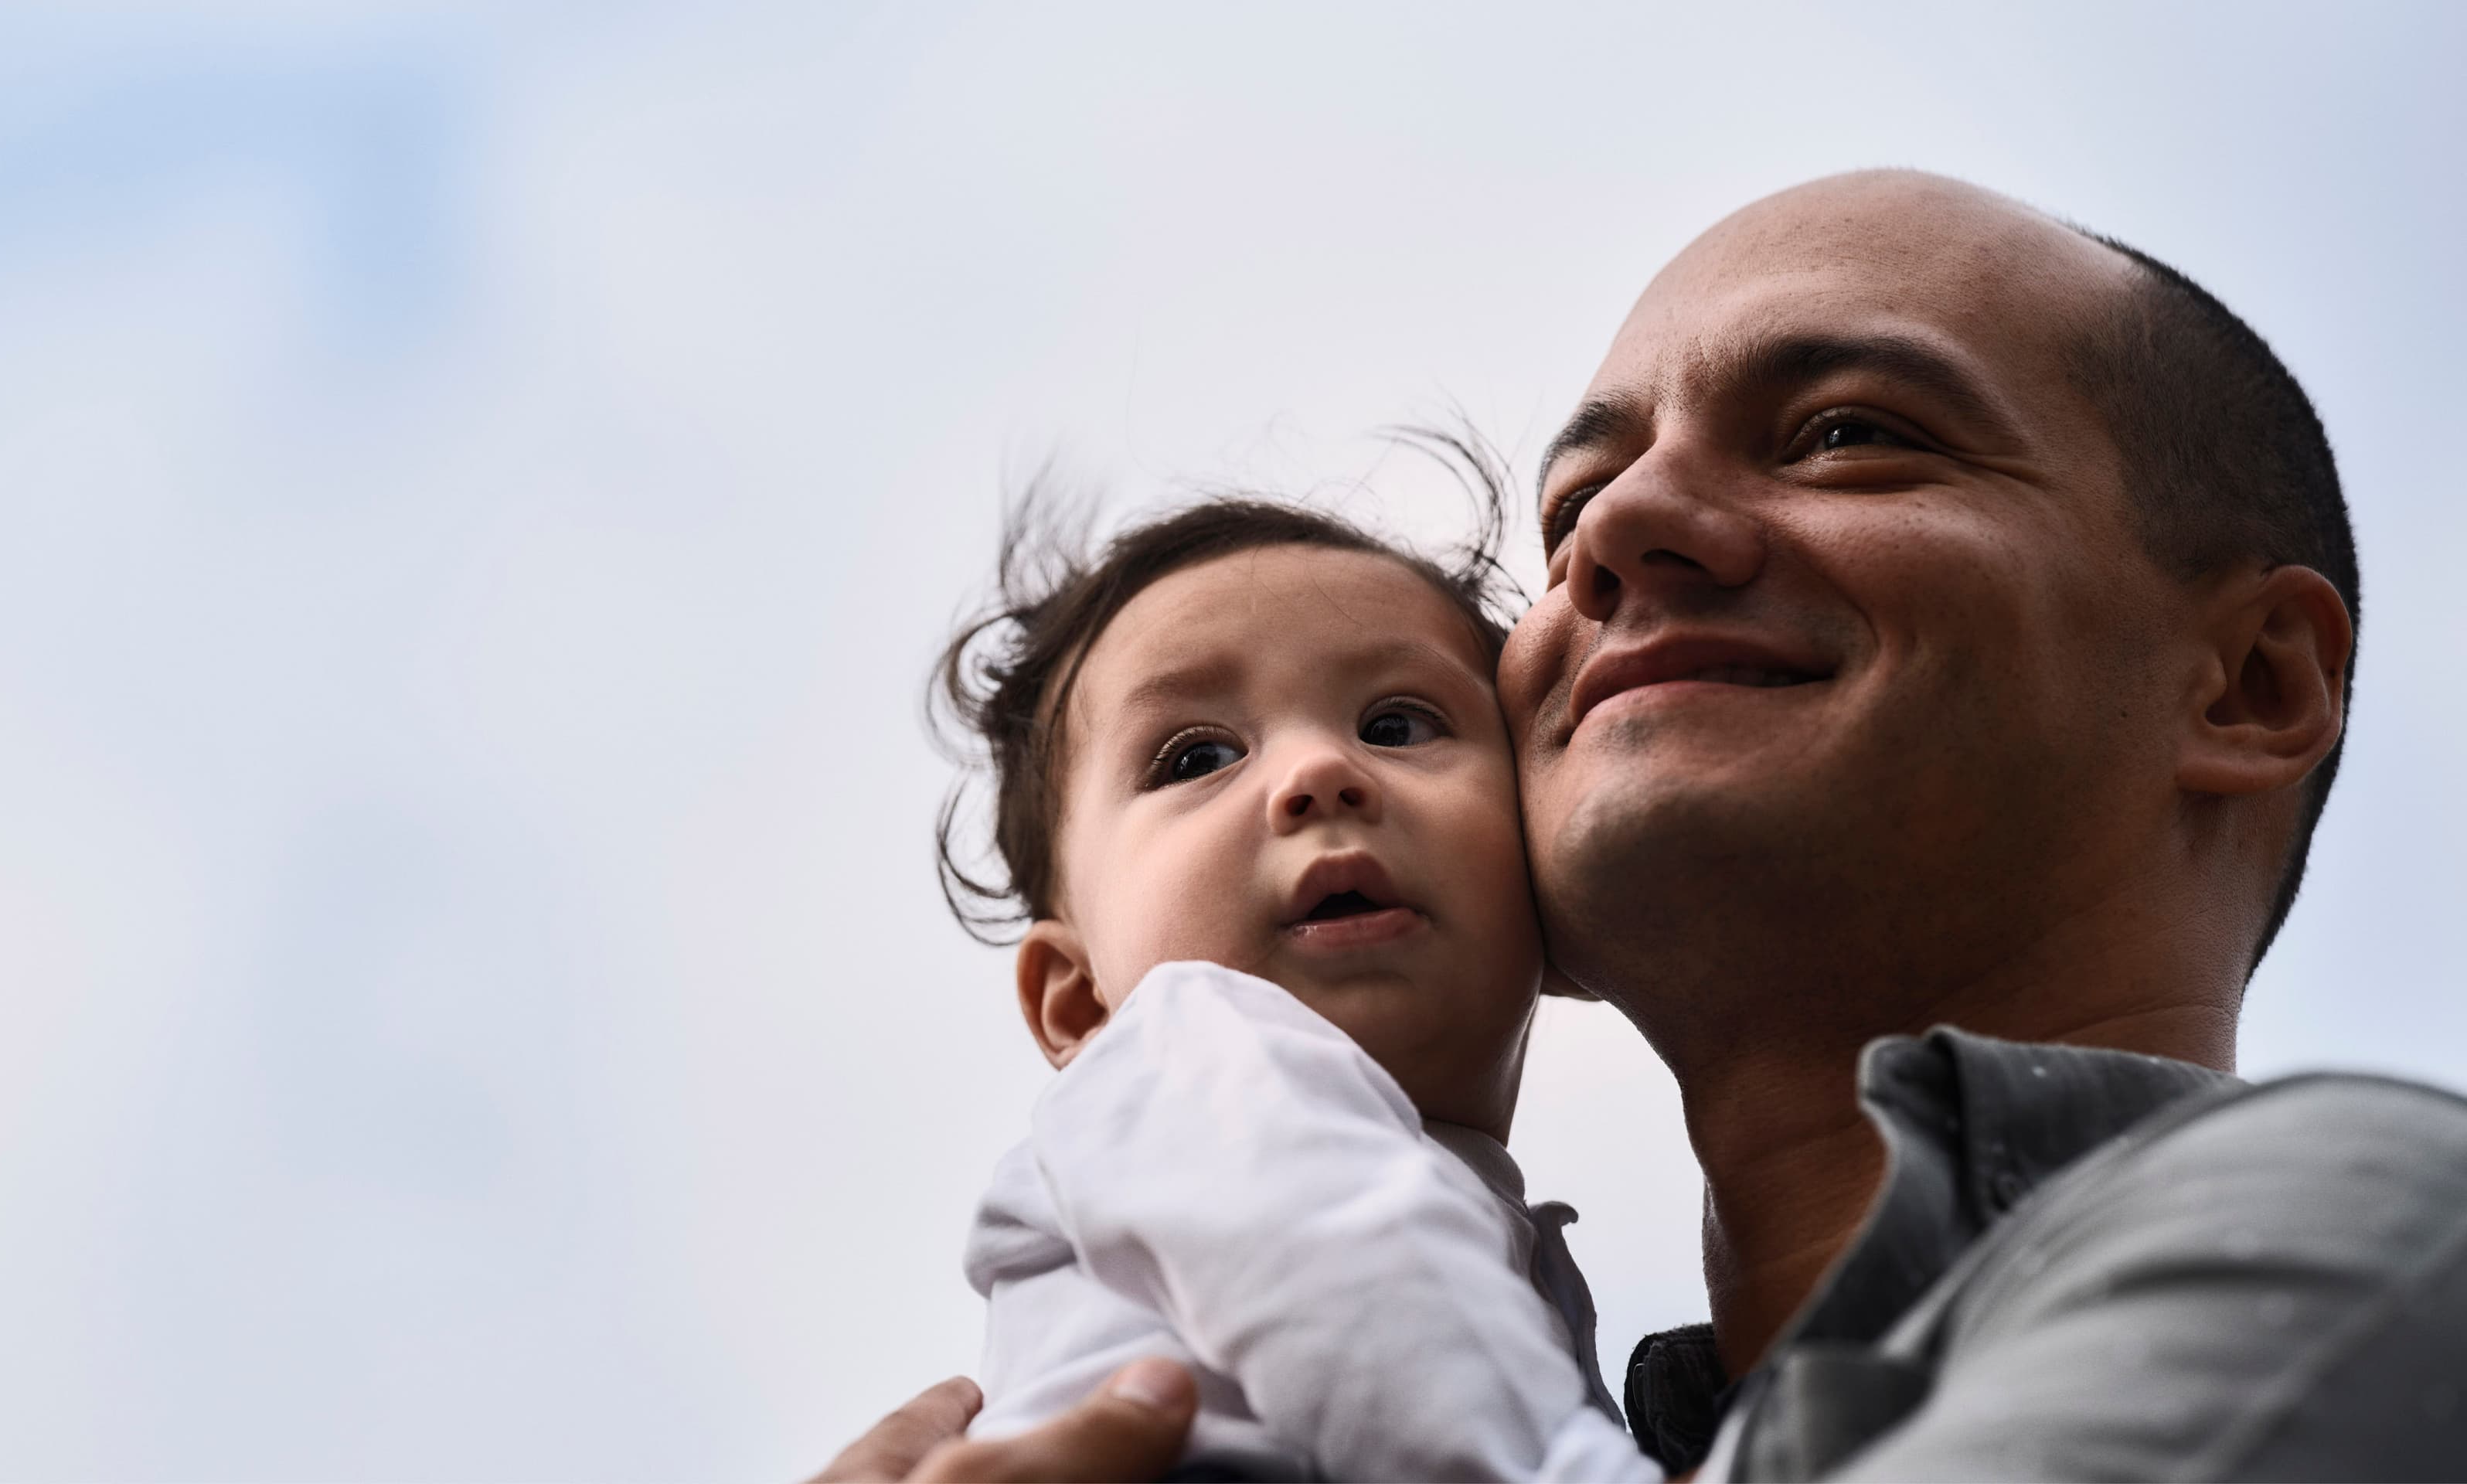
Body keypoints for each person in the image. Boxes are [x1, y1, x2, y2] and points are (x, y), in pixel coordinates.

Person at [820, 170, 2467, 1482]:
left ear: (2247, 684)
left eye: (1846, 433)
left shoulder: (2380, 1242)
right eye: (1565, 518)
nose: (1621, 534)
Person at [930, 498, 1652, 1479]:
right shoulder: (1191, 1055)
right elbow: (1350, 1276)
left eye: (1397, 724)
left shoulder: (1457, 1202)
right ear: (1082, 1001)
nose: (1319, 772)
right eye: (1199, 757)